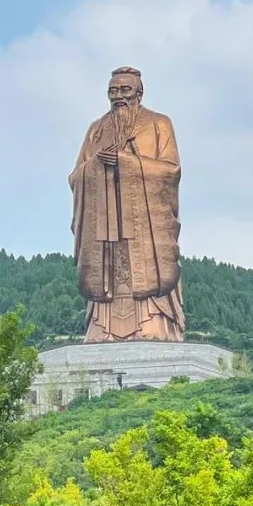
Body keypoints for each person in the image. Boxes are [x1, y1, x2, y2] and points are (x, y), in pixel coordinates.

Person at [69, 66, 185, 342]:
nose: (118, 96)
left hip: (144, 223)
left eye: (125, 90)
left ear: (139, 93)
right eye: (112, 91)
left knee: (143, 268)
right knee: (108, 268)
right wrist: (96, 165)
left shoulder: (159, 124)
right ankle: (102, 328)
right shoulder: (96, 130)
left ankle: (153, 322)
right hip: (105, 223)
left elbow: (171, 171)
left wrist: (128, 163)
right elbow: (76, 176)